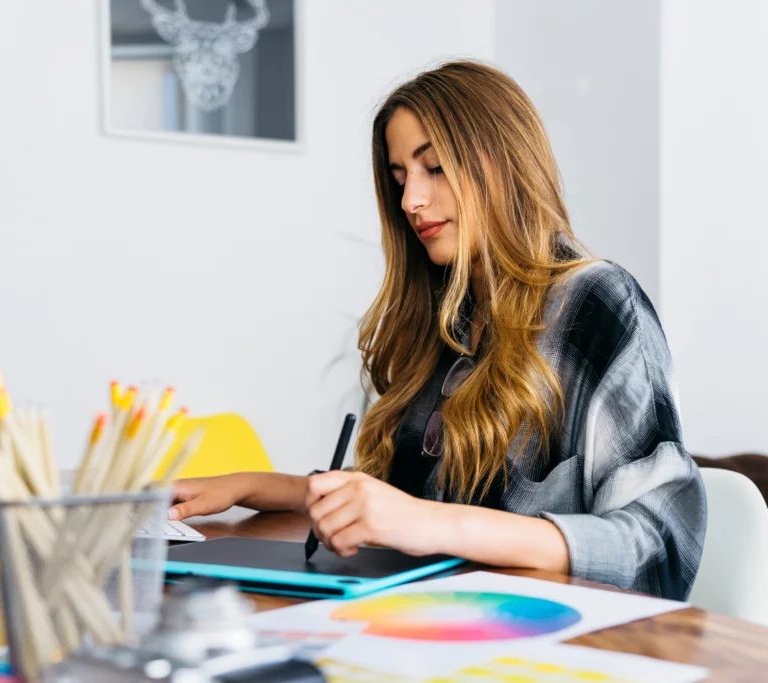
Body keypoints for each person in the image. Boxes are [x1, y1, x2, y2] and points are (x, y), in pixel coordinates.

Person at [168, 60, 706, 600]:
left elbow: (657, 543)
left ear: (503, 162)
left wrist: (429, 523)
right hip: (434, 621)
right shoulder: (448, 318)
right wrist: (255, 486)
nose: (410, 201)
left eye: (435, 169)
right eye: (401, 178)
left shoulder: (598, 304)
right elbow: (399, 503)